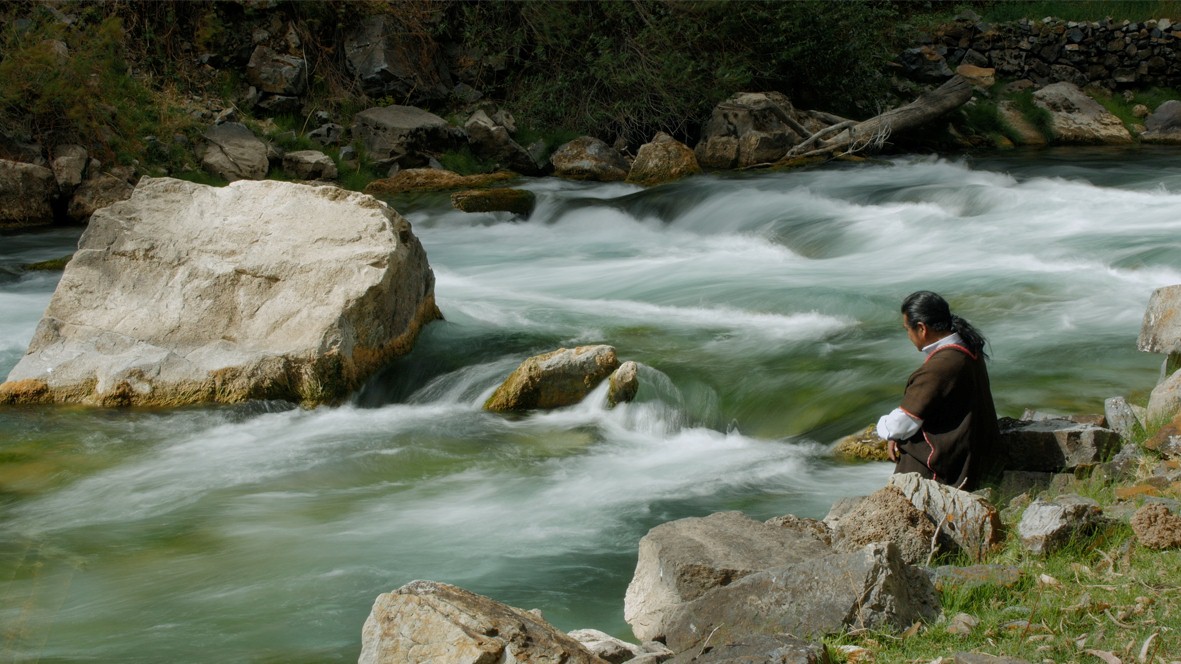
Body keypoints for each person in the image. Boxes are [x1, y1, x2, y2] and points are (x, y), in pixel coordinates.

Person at [876, 291, 999, 490]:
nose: (907, 335)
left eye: (907, 329)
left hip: (948, 467)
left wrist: (885, 431)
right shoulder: (967, 346)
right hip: (977, 451)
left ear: (922, 328)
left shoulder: (940, 367)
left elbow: (899, 425)